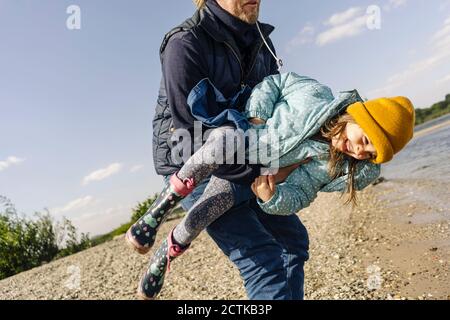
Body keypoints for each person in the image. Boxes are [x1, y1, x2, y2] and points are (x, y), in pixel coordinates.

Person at [127, 71, 416, 299]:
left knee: (204, 212)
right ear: (357, 115)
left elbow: (302, 192)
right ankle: (159, 209)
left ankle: (165, 255)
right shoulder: (314, 94)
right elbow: (276, 83)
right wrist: (257, 115)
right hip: (247, 137)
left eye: (368, 154)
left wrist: (273, 196)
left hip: (250, 175)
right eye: (364, 140)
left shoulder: (331, 165)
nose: (358, 151)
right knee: (223, 141)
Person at [143, 0, 310, 300]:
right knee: (266, 263)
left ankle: (169, 247)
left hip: (245, 153)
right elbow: (190, 140)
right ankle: (168, 241)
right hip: (192, 164)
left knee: (294, 242)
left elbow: (272, 113)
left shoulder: (263, 42)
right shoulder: (184, 43)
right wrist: (258, 173)